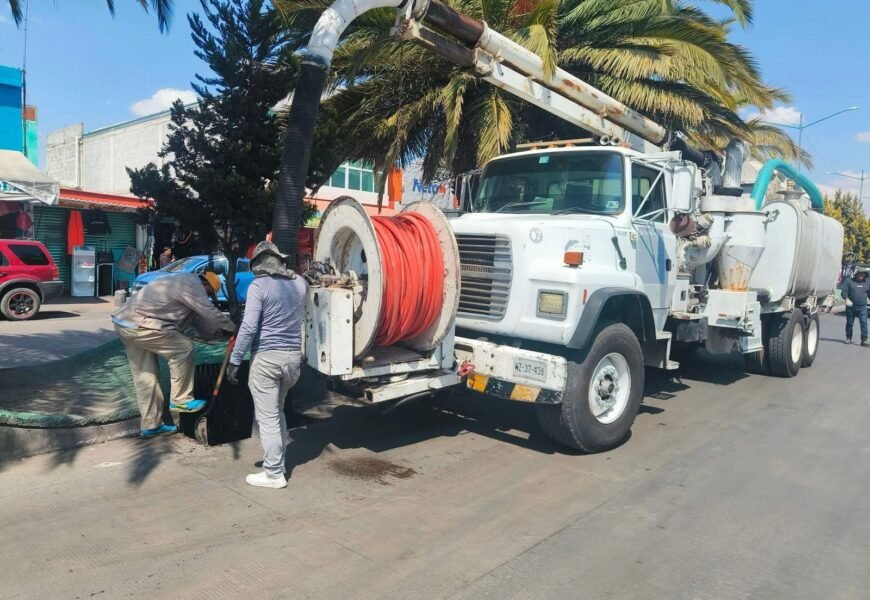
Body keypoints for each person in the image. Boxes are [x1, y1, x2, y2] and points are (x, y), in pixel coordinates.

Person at [112, 271, 235, 438]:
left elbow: (200, 323)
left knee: (145, 375)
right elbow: (209, 312)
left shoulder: (181, 283)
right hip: (141, 323)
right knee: (183, 348)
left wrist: (221, 334)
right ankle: (181, 399)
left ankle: (151, 425)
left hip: (125, 323)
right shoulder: (192, 285)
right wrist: (235, 328)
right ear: (206, 285)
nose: (206, 296)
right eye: (209, 293)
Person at [226, 241, 307, 489]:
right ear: (280, 260)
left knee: (268, 418)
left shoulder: (258, 286)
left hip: (267, 360)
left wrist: (235, 360)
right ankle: (278, 465)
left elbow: (249, 327)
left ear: (258, 265)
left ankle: (273, 474)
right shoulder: (299, 283)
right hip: (292, 358)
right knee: (277, 412)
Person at [841, 267, 870, 346]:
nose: (861, 276)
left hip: (862, 307)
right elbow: (844, 291)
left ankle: (864, 340)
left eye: (863, 274)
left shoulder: (867, 283)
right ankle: (848, 337)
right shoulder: (849, 281)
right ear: (856, 274)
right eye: (860, 274)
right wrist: (846, 299)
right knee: (850, 323)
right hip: (851, 307)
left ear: (865, 275)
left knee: (864, 323)